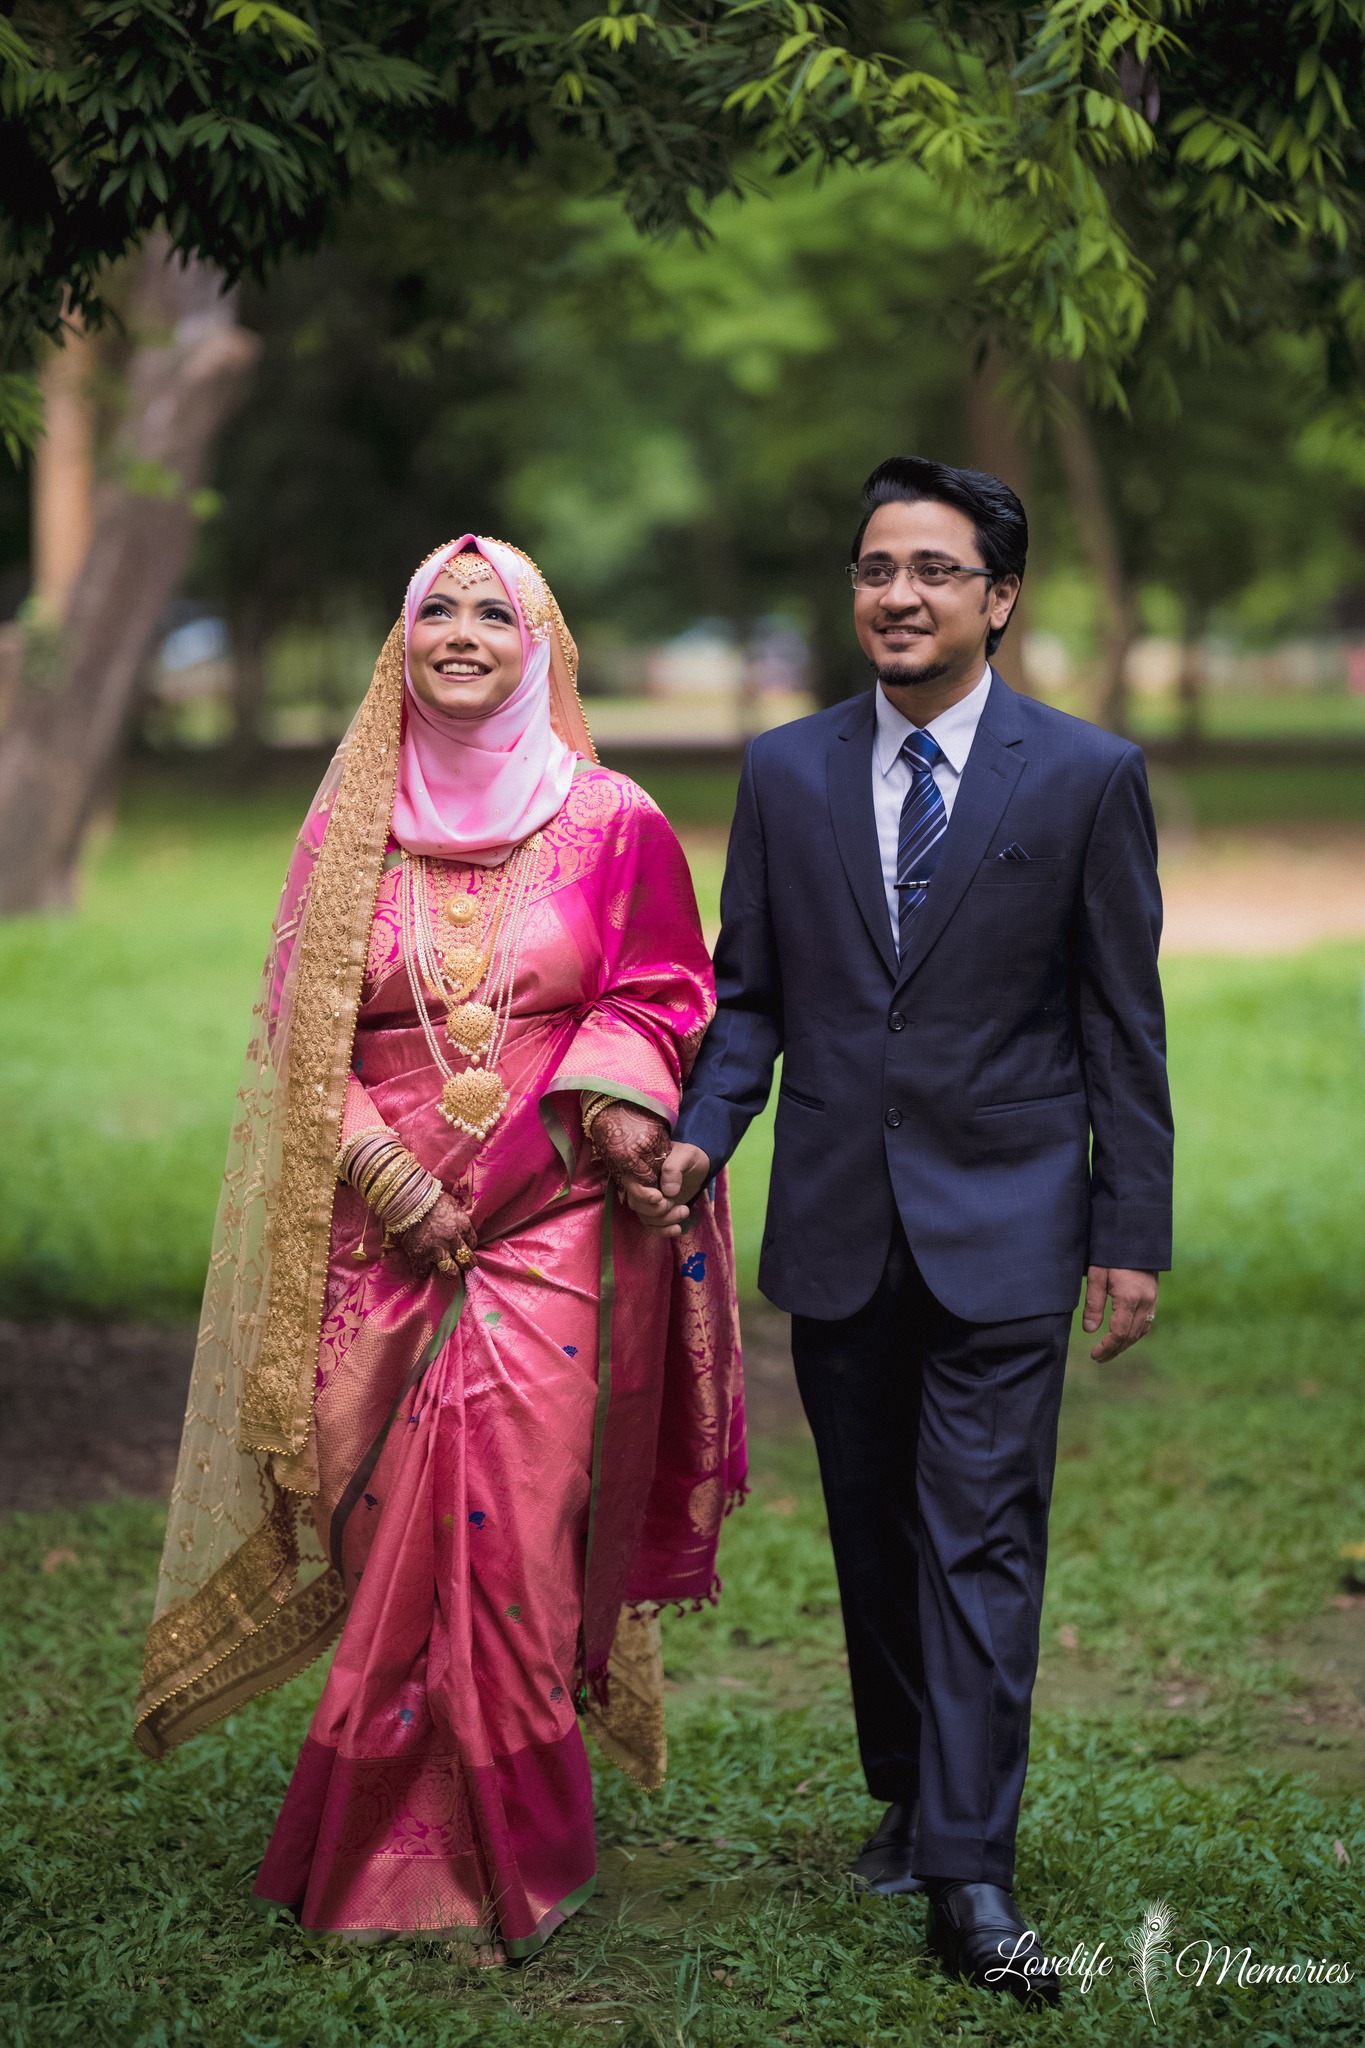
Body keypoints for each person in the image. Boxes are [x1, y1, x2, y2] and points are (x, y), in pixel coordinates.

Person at [134, 536, 745, 1960]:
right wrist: (385, 1172)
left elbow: (663, 990)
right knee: (385, 1535)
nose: (462, 632)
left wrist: (600, 1112)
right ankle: (388, 1849)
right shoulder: (350, 825)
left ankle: (505, 1860)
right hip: (380, 1241)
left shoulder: (613, 820)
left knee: (513, 1531)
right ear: (399, 644)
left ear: (541, 648)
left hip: (553, 1226)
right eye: (436, 610)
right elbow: (298, 1030)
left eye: (493, 612)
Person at [629, 458, 1173, 2007]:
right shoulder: (783, 772)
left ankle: (969, 1870)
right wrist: (699, 1134)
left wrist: (1127, 1228)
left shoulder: (1084, 776)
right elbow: (749, 997)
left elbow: (1119, 1021)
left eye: (934, 570)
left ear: (998, 599)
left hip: (1010, 1219)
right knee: (872, 1533)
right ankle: (908, 1790)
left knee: (979, 1533)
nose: (898, 594)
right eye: (877, 568)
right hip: (836, 1222)